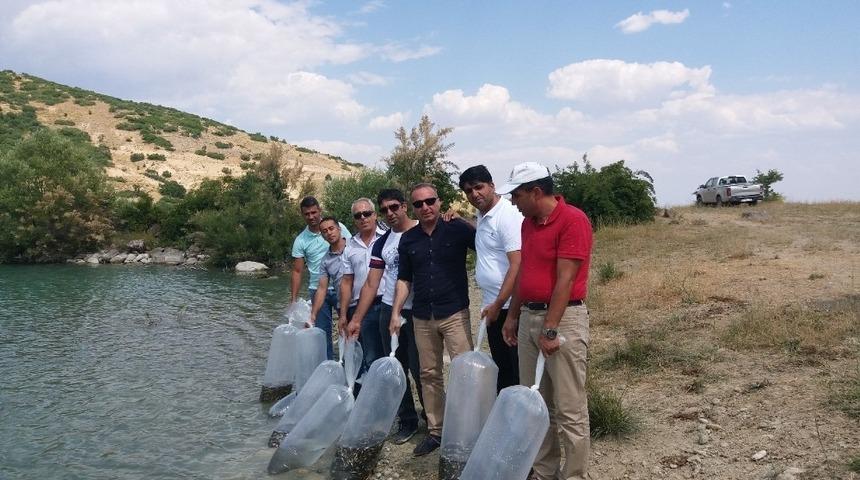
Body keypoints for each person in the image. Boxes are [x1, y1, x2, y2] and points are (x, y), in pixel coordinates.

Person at [499, 162, 593, 480]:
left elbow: (566, 279)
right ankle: (543, 470)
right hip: (529, 315)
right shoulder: (528, 223)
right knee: (536, 400)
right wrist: (513, 315)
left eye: (517, 195)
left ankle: (575, 474)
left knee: (569, 406)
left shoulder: (573, 220)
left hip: (563, 319)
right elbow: (525, 273)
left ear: (536, 192)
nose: (513, 202)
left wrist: (550, 329)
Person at [390, 183, 476, 457]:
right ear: (413, 208)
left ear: (439, 202)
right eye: (419, 204)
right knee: (428, 374)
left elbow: (487, 245)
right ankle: (436, 431)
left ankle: (467, 429)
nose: (425, 207)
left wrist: (464, 218)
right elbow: (404, 278)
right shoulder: (408, 239)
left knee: (465, 372)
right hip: (422, 317)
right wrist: (395, 312)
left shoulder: (457, 228)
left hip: (454, 313)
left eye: (430, 201)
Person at [349, 188, 425, 444]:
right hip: (388, 310)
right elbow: (372, 284)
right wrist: (356, 319)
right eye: (384, 210)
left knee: (421, 369)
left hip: (418, 312)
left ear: (404, 206)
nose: (390, 213)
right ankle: (407, 420)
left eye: (394, 207)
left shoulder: (423, 230)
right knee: (395, 369)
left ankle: (432, 417)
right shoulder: (383, 243)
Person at [458, 165, 523, 392]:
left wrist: (498, 304)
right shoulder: (483, 215)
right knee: (503, 370)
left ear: (492, 186)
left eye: (479, 187)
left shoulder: (507, 215)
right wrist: (459, 219)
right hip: (493, 305)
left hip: (509, 306)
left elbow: (517, 264)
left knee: (517, 370)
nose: (475, 194)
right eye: (469, 191)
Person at [290, 196, 351, 360]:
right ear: (302, 215)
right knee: (322, 333)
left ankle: (350, 363)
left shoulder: (337, 228)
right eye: (307, 214)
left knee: (348, 326)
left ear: (319, 211)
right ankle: (327, 366)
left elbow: (352, 250)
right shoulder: (301, 240)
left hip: (341, 286)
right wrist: (293, 300)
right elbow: (297, 271)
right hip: (317, 289)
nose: (311, 216)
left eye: (314, 212)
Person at [340, 198, 387, 373]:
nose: (363, 218)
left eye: (367, 213)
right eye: (358, 215)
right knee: (370, 356)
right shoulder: (349, 246)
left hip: (387, 302)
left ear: (375, 215)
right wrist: (343, 315)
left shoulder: (388, 238)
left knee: (394, 353)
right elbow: (346, 282)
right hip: (362, 307)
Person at [309, 217, 347, 329]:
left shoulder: (355, 246)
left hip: (363, 302)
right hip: (343, 306)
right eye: (325, 231)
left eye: (331, 228)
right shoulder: (325, 261)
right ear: (322, 236)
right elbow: (322, 289)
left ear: (339, 229)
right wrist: (313, 315)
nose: (329, 233)